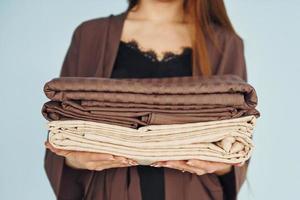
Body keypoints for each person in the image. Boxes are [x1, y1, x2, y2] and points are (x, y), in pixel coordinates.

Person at [44, 0, 249, 199]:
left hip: (192, 191)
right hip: (108, 189)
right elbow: (65, 127)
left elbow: (235, 141)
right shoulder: (91, 35)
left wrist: (221, 163)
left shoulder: (224, 43)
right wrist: (77, 161)